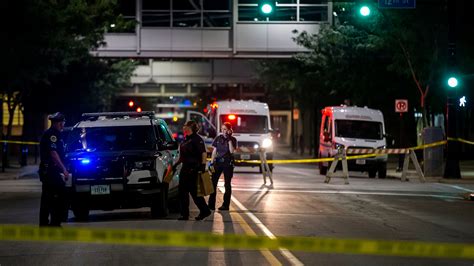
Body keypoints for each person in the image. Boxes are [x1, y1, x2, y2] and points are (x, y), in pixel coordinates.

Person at [173, 120, 211, 221]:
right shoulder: (186, 139)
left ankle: (204, 210)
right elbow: (183, 156)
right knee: (183, 192)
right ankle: (186, 214)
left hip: (193, 168)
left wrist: (203, 165)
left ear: (189, 127)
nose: (183, 127)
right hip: (185, 168)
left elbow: (203, 153)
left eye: (185, 125)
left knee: (193, 192)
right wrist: (175, 165)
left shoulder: (196, 139)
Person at [38, 112, 69, 227]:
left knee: (49, 198)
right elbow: (53, 154)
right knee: (57, 196)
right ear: (56, 123)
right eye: (61, 123)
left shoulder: (56, 134)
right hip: (50, 171)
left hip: (51, 171)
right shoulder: (52, 135)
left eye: (63, 123)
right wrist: (64, 169)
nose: (63, 125)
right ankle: (54, 222)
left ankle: (48, 223)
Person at [208, 122, 237, 211]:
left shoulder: (233, 139)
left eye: (225, 129)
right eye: (222, 129)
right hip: (218, 163)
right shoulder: (218, 138)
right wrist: (212, 162)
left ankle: (225, 205)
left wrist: (229, 140)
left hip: (228, 164)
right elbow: (214, 151)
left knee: (227, 184)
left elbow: (232, 151)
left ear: (229, 130)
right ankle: (211, 205)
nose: (223, 131)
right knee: (213, 183)